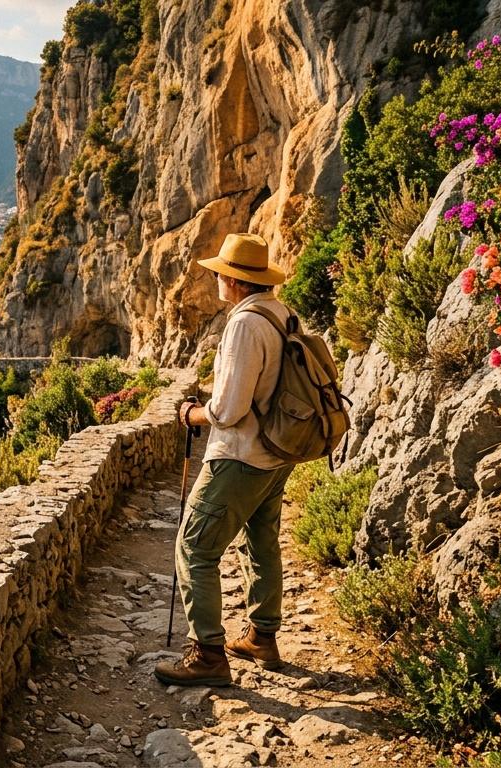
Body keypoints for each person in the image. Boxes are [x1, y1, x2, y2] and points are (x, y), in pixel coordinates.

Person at [154, 232, 296, 688]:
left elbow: (229, 410)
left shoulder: (244, 324)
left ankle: (208, 656)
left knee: (194, 548)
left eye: (220, 273)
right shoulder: (281, 314)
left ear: (233, 280)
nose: (216, 278)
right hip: (277, 454)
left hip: (240, 456)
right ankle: (262, 637)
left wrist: (191, 413)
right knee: (261, 541)